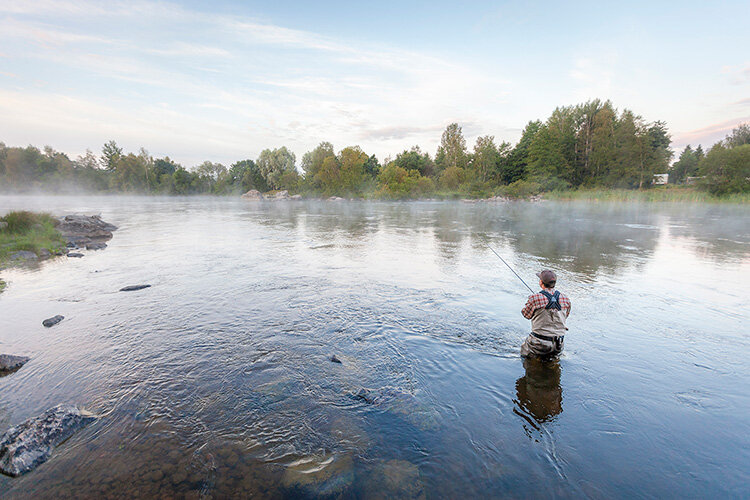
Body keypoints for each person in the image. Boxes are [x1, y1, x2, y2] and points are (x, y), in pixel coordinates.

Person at [520, 269, 571, 359]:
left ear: (541, 282)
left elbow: (526, 315)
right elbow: (565, 316)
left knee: (524, 356)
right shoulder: (565, 298)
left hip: (539, 343)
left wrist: (532, 303)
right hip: (559, 343)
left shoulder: (535, 298)